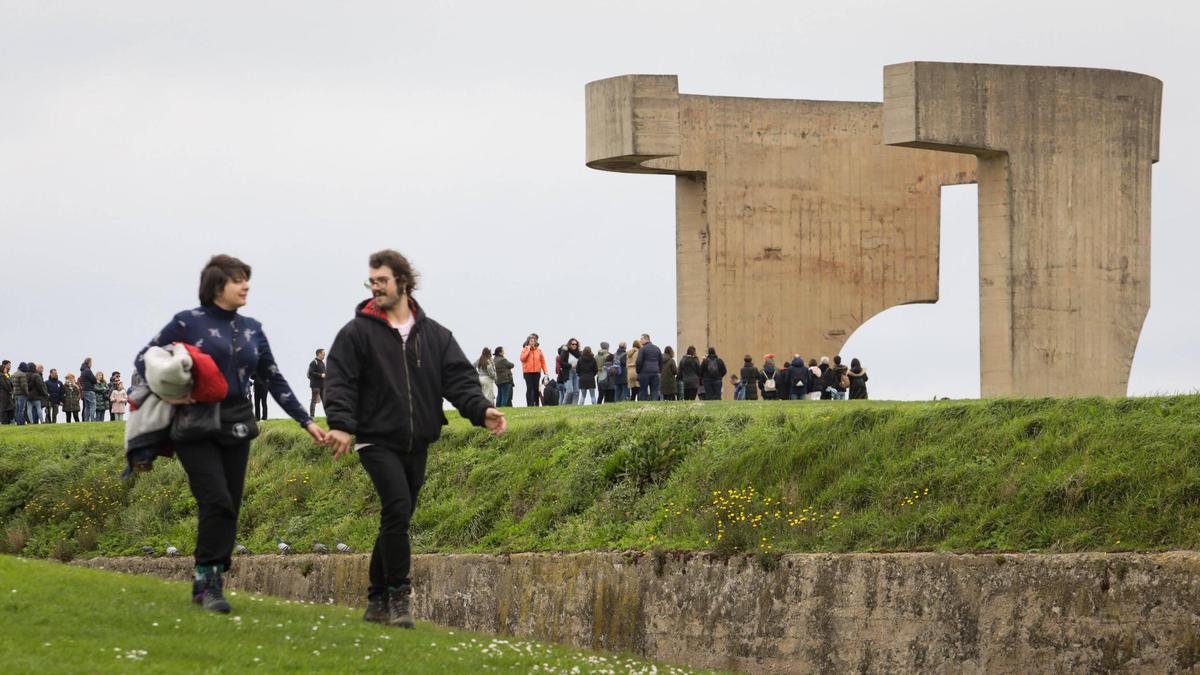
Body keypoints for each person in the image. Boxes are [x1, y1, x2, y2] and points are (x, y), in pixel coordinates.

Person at [323, 249, 505, 629]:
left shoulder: (435, 335)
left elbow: (458, 380)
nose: (376, 288)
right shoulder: (357, 333)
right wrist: (340, 423)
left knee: (397, 516)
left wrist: (480, 409)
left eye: (382, 281)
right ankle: (398, 597)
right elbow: (339, 381)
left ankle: (375, 598)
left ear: (403, 282)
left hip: (417, 441)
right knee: (398, 508)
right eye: (371, 282)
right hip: (375, 438)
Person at [135, 254, 325, 614]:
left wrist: (307, 421)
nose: (246, 285)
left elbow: (273, 377)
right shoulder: (187, 322)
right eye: (239, 279)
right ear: (217, 286)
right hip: (195, 423)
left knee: (231, 505)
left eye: (246, 279)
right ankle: (208, 580)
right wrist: (176, 390)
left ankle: (212, 571)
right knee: (216, 501)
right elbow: (146, 358)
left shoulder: (252, 327)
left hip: (237, 422)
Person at [520, 334, 548, 407]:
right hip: (527, 372)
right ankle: (530, 405)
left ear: (536, 342)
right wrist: (528, 350)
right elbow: (522, 359)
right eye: (531, 341)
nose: (532, 342)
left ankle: (536, 403)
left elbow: (543, 362)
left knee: (536, 388)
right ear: (528, 342)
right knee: (529, 388)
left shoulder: (539, 351)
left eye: (534, 341)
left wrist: (545, 371)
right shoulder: (525, 349)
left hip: (537, 372)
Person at [635, 333, 663, 401]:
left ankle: (643, 406)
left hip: (644, 373)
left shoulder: (642, 349)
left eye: (641, 339)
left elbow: (639, 361)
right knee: (654, 391)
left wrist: (638, 371)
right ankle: (654, 405)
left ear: (646, 339)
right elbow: (661, 361)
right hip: (655, 372)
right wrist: (659, 371)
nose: (640, 341)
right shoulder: (657, 348)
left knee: (643, 390)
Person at [557, 339, 581, 405]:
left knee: (576, 391)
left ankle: (574, 406)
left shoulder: (579, 353)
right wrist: (570, 366)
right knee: (570, 391)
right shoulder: (565, 351)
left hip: (576, 372)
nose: (574, 345)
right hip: (567, 372)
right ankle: (564, 406)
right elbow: (561, 362)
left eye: (575, 344)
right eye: (572, 344)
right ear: (570, 344)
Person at [308, 348, 327, 418]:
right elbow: (311, 372)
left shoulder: (322, 363)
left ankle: (328, 416)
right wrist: (321, 375)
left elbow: (324, 373)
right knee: (314, 401)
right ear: (319, 354)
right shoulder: (314, 362)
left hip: (322, 385)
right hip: (315, 386)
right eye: (323, 354)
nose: (324, 356)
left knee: (325, 401)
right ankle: (312, 416)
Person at [79, 357, 97, 422]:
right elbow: (94, 380)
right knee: (93, 405)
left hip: (84, 390)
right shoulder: (88, 370)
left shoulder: (83, 371)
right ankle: (93, 420)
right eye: (91, 363)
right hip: (89, 390)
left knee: (87, 406)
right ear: (89, 363)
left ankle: (86, 420)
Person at [0, 360, 13, 425]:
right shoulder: (2, 376)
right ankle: (4, 422)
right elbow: (5, 385)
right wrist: (10, 390)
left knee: (7, 408)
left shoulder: (6, 375)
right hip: (4, 394)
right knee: (4, 408)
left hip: (6, 394)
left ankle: (7, 421)